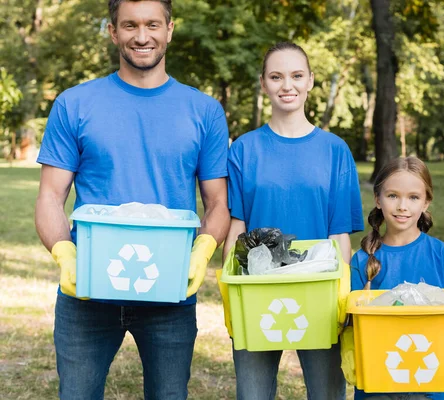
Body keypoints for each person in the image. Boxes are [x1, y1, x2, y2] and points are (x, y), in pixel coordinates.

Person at [34, 1, 230, 398]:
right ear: (112, 31)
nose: (142, 36)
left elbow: (217, 203)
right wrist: (64, 254)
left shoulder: (204, 110)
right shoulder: (74, 104)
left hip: (170, 293)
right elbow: (51, 196)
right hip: (87, 292)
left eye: (152, 25)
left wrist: (203, 251)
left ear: (169, 29)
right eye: (130, 25)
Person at [223, 42, 364, 400]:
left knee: (328, 394)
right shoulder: (244, 149)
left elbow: (339, 234)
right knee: (252, 394)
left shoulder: (335, 151)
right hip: (257, 290)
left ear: (311, 81)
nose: (287, 85)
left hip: (318, 289)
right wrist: (229, 292)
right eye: (276, 76)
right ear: (264, 84)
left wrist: (342, 296)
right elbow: (237, 226)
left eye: (297, 75)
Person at [348, 156, 444, 400]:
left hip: (430, 387)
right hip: (376, 388)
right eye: (392, 196)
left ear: (426, 202)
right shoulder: (361, 261)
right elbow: (349, 326)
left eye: (413, 197)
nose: (402, 206)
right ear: (378, 199)